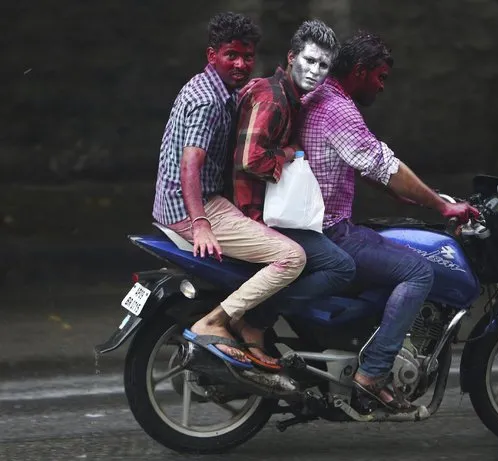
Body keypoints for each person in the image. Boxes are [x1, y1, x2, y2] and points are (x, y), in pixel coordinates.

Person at [298, 31, 480, 410]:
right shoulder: (338, 109)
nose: (382, 87)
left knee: (389, 239)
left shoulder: (320, 98)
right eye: (380, 77)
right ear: (360, 71)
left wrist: (399, 194)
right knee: (418, 271)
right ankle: (374, 372)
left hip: (316, 226)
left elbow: (356, 161)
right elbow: (384, 164)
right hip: (329, 232)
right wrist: (441, 206)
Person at [152, 12, 307, 369]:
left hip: (187, 204)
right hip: (193, 210)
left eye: (247, 57)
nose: (240, 64)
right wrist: (201, 224)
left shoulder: (215, 89)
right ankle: (218, 320)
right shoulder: (207, 101)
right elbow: (190, 165)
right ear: (212, 56)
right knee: (292, 257)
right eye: (231, 56)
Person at [233, 19, 355, 328]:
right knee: (341, 267)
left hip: (268, 209)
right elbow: (251, 160)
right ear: (292, 57)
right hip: (254, 214)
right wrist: (288, 154)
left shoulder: (288, 97)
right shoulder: (273, 98)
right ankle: (258, 318)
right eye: (309, 60)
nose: (315, 70)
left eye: (323, 65)